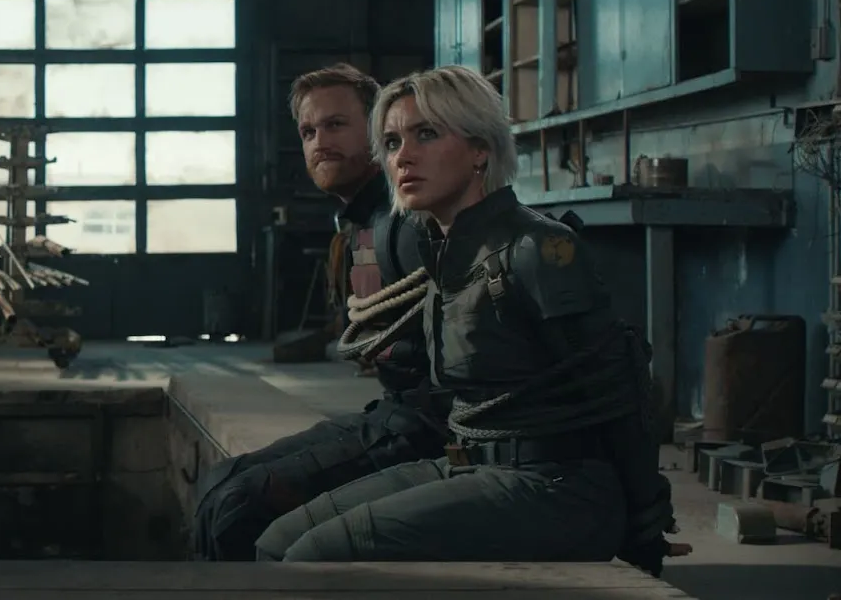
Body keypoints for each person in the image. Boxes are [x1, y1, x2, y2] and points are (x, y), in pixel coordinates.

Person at [253, 65, 686, 575]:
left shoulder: (539, 247)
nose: (403, 157)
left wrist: (645, 525)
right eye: (391, 143)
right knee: (275, 542)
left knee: (310, 559)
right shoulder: (443, 252)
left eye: (426, 134)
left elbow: (622, 388)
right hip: (471, 463)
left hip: (554, 485)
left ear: (480, 149)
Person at [193, 64, 447, 561]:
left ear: (378, 132)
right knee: (219, 481)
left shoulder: (408, 222)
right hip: (393, 412)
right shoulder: (359, 223)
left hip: (429, 429)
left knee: (236, 508)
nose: (319, 142)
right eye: (308, 131)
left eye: (335, 125)